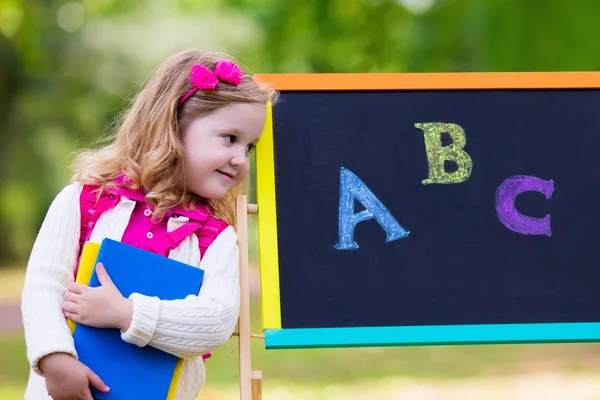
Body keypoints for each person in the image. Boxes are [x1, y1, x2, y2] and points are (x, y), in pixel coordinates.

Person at [20, 49, 277, 400]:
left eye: (249, 147)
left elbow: (216, 321)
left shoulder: (216, 237)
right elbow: (44, 284)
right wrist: (54, 356)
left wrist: (128, 313)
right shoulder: (86, 200)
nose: (240, 159)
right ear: (173, 125)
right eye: (231, 139)